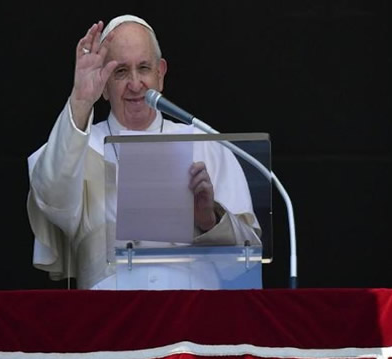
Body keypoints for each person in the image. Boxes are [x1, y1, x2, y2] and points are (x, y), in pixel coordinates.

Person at [27, 15, 261, 289]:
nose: (135, 84)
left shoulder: (207, 145)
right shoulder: (78, 147)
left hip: (192, 320)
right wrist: (80, 100)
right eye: (121, 72)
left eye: (144, 68)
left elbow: (247, 263)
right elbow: (52, 200)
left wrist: (209, 220)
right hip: (110, 320)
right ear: (103, 84)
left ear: (160, 74)